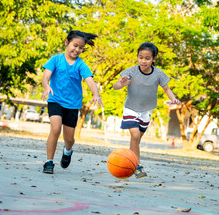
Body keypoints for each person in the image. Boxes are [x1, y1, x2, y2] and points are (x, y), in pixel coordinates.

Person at [113, 42, 180, 178]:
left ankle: (129, 161)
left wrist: (173, 99)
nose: (143, 61)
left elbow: (166, 88)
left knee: (136, 140)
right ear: (137, 57)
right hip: (131, 108)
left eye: (147, 58)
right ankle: (137, 167)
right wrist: (120, 84)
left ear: (153, 59)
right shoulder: (131, 71)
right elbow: (115, 86)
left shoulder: (159, 74)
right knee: (135, 136)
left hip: (146, 111)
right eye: (141, 57)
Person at [41, 30, 103, 174]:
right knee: (55, 129)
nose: (77, 50)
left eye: (81, 48)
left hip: (72, 104)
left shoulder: (81, 65)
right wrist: (47, 87)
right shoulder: (55, 60)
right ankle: (49, 162)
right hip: (55, 99)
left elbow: (89, 80)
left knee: (69, 138)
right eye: (75, 45)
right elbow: (45, 77)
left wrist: (96, 94)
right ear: (66, 42)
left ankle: (67, 151)